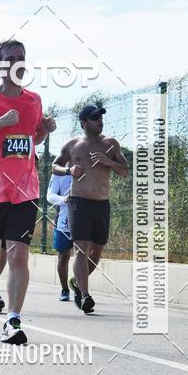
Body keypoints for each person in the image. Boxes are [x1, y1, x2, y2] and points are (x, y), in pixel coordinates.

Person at [0, 40, 56, 344]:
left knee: (18, 254)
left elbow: (33, 139)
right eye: (10, 58)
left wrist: (45, 129)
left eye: (21, 57)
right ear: (0, 64)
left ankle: (13, 320)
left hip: (25, 190)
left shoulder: (34, 100)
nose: (17, 62)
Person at [52, 105, 129, 313]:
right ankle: (85, 296)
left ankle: (77, 283)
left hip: (102, 204)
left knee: (96, 252)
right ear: (84, 122)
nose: (100, 121)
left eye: (101, 117)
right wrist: (69, 169)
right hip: (79, 203)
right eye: (95, 118)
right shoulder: (73, 145)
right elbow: (55, 166)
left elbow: (125, 171)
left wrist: (108, 162)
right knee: (81, 249)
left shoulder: (110, 144)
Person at [47, 172, 73, 300]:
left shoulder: (86, 165)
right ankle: (65, 289)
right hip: (63, 221)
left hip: (84, 218)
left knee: (85, 255)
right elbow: (49, 196)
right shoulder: (59, 171)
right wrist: (64, 199)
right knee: (63, 257)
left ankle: (80, 286)